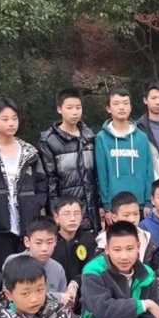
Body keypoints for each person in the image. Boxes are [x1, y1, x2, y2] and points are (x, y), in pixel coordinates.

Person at [0, 97, 47, 272]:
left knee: (29, 272)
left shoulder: (30, 153)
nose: (11, 123)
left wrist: (36, 204)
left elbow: (42, 183)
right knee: (1, 271)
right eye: (5, 119)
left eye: (14, 118)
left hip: (28, 224)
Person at [39, 88, 100, 232]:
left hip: (91, 211)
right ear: (59, 109)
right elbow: (51, 181)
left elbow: (96, 175)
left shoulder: (90, 137)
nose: (75, 112)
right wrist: (54, 213)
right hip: (66, 212)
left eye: (78, 107)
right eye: (69, 107)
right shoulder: (49, 141)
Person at [95, 88, 155, 225]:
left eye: (125, 103)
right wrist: (106, 205)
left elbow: (149, 171)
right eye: (116, 104)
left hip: (139, 204)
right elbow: (101, 174)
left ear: (130, 107)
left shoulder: (142, 137)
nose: (121, 107)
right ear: (108, 108)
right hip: (114, 206)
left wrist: (148, 201)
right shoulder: (101, 138)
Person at [2, 217, 72, 305]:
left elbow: (63, 302)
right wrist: (57, 297)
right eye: (38, 243)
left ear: (55, 241)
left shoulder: (57, 269)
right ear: (27, 242)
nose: (44, 248)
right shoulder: (13, 261)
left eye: (49, 242)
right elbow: (8, 296)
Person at [51, 196, 98, 313]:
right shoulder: (50, 241)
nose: (72, 218)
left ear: (82, 216)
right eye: (67, 214)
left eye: (77, 214)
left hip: (83, 297)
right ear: (56, 217)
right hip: (54, 297)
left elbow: (92, 269)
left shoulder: (90, 240)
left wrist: (75, 283)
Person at [95, 192, 159, 272]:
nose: (132, 219)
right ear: (114, 217)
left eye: (136, 214)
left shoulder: (147, 240)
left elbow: (156, 271)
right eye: (126, 215)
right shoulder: (103, 243)